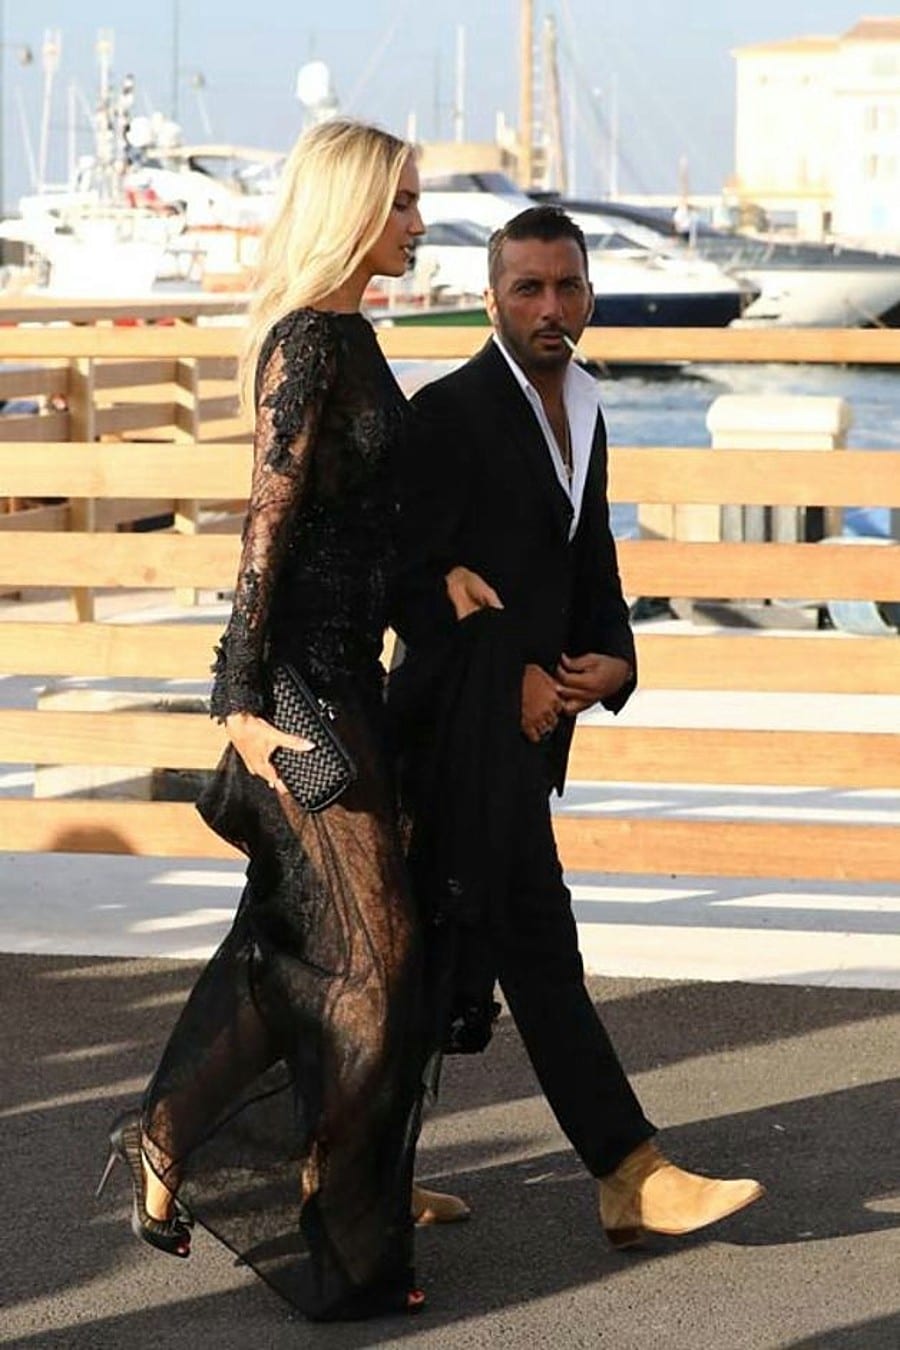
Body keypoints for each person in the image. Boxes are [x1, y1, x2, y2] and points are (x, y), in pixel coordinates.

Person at [97, 119, 439, 1322]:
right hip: (301, 690)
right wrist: (238, 701)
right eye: (403, 202)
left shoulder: (358, 336)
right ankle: (344, 1243)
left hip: (354, 677)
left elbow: (364, 519)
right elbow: (267, 523)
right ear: (355, 209)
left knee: (296, 948)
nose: (418, 222)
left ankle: (163, 1135)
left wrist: (438, 582)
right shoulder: (308, 341)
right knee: (376, 966)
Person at [391, 204, 765, 1250]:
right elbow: (410, 581)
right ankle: (628, 1172)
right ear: (491, 300)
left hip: (527, 736)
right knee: (530, 948)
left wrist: (619, 658)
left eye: (567, 287)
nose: (550, 307)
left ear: (591, 294)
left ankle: (357, 1168)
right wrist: (505, 670)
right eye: (529, 288)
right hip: (451, 739)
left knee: (435, 957)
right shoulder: (451, 412)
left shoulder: (588, 405)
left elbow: (589, 555)